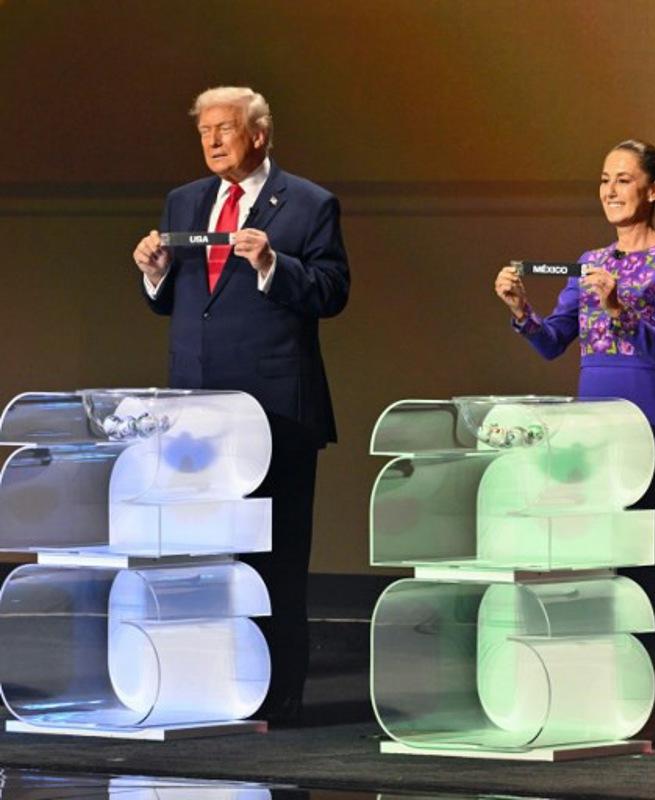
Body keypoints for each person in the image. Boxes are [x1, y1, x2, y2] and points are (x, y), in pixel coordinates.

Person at [132, 86, 350, 725]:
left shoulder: (309, 204)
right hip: (197, 414)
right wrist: (153, 271)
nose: (213, 141)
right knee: (203, 555)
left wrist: (273, 265)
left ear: (258, 134)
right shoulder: (185, 201)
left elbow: (332, 292)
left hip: (275, 411)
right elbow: (178, 303)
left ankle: (279, 699)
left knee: (275, 558)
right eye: (204, 132)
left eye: (224, 129)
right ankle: (208, 687)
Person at [493, 139, 655, 743]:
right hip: (591, 417)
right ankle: (602, 691)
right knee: (598, 552)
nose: (610, 190)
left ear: (654, 189)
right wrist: (522, 310)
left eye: (624, 180)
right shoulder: (588, 260)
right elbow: (556, 341)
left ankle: (654, 698)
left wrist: (617, 304)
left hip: (645, 412)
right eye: (604, 179)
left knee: (649, 554)